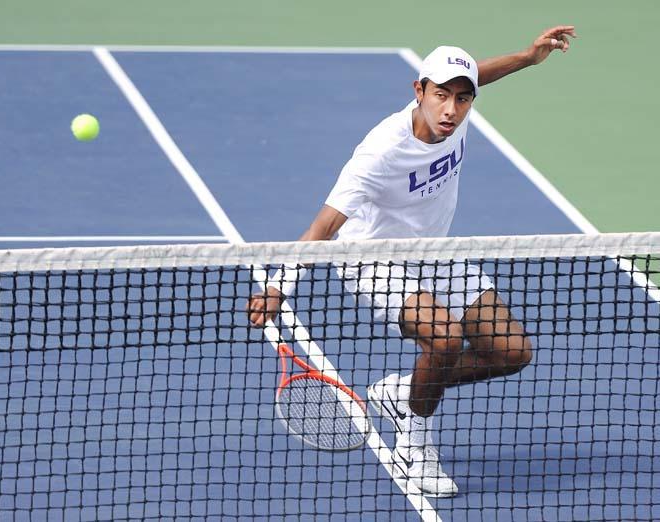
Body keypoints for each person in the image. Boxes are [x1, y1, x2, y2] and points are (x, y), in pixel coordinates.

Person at [247, 26, 577, 498]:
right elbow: (324, 226)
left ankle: (402, 393)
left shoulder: (457, 106)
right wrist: (280, 288)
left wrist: (528, 57)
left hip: (435, 252)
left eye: (463, 99)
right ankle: (415, 446)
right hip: (373, 259)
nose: (451, 110)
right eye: (441, 95)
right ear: (418, 91)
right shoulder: (380, 152)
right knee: (445, 339)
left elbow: (478, 75)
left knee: (512, 352)